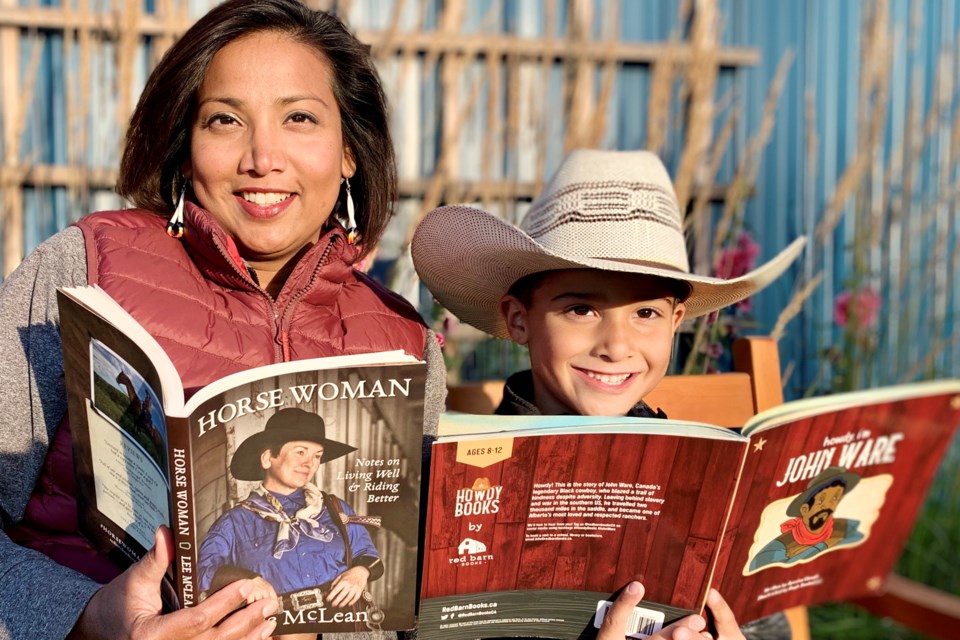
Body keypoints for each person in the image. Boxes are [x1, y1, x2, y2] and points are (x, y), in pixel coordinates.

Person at [0, 1, 445, 638]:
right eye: (225, 120)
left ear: (350, 151)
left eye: (299, 118)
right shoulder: (83, 267)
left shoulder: (405, 343)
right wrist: (88, 616)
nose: (262, 158)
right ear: (184, 151)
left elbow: (405, 595)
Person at [411, 148, 806, 640]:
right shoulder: (458, 478)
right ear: (518, 319)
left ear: (676, 323)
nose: (617, 347)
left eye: (646, 314)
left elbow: (767, 621)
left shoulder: (717, 477)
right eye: (581, 309)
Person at [198, 408, 383, 625]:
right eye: (300, 452)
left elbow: (370, 555)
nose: (310, 464)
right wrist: (246, 580)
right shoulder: (234, 522)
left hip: (340, 621)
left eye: (317, 456)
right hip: (274, 626)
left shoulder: (335, 508)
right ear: (268, 458)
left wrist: (360, 573)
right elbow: (202, 573)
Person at [749, 467, 864, 571]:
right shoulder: (776, 550)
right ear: (805, 509)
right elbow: (758, 567)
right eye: (820, 501)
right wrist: (821, 547)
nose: (827, 506)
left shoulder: (846, 530)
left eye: (834, 498)